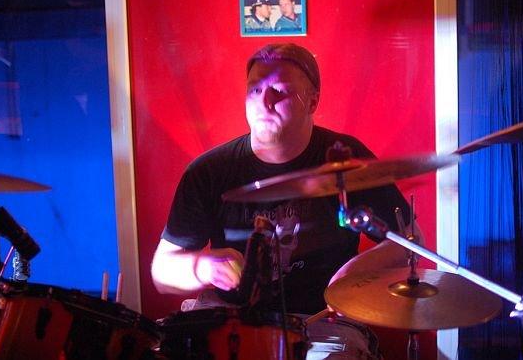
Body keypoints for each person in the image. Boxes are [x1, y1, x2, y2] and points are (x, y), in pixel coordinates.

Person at [152, 43, 420, 359]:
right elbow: (161, 271)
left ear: (312, 101)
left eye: (279, 91)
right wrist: (201, 267)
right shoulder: (209, 170)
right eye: (255, 90)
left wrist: (354, 272)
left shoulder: (345, 160)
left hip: (319, 321)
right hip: (232, 319)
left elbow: (411, 240)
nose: (264, 102)